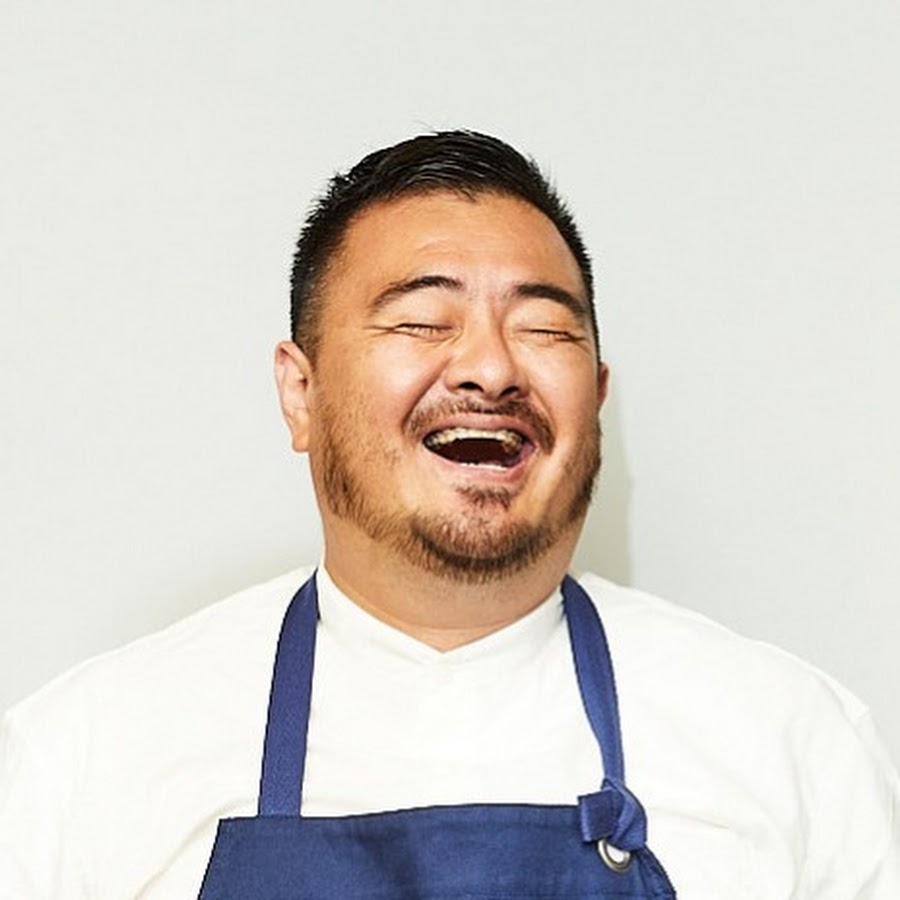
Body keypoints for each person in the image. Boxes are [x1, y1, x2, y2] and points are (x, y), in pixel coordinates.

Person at [1, 131, 898, 898]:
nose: (492, 369)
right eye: (424, 321)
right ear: (301, 393)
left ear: (597, 398)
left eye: (545, 329)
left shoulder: (789, 741)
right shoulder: (85, 756)